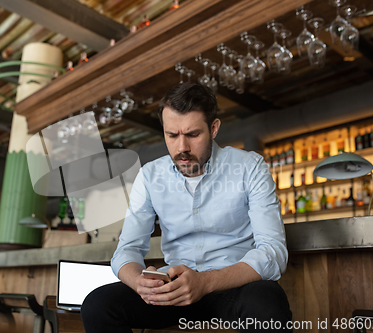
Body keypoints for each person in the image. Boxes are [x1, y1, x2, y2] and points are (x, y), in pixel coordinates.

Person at [81, 82, 292, 332]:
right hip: (173, 289)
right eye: (172, 135)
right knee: (98, 305)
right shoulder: (150, 176)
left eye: (193, 135)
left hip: (232, 286)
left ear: (213, 128)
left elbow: (273, 251)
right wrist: (138, 281)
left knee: (267, 302)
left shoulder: (250, 167)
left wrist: (205, 282)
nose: (182, 148)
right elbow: (127, 250)